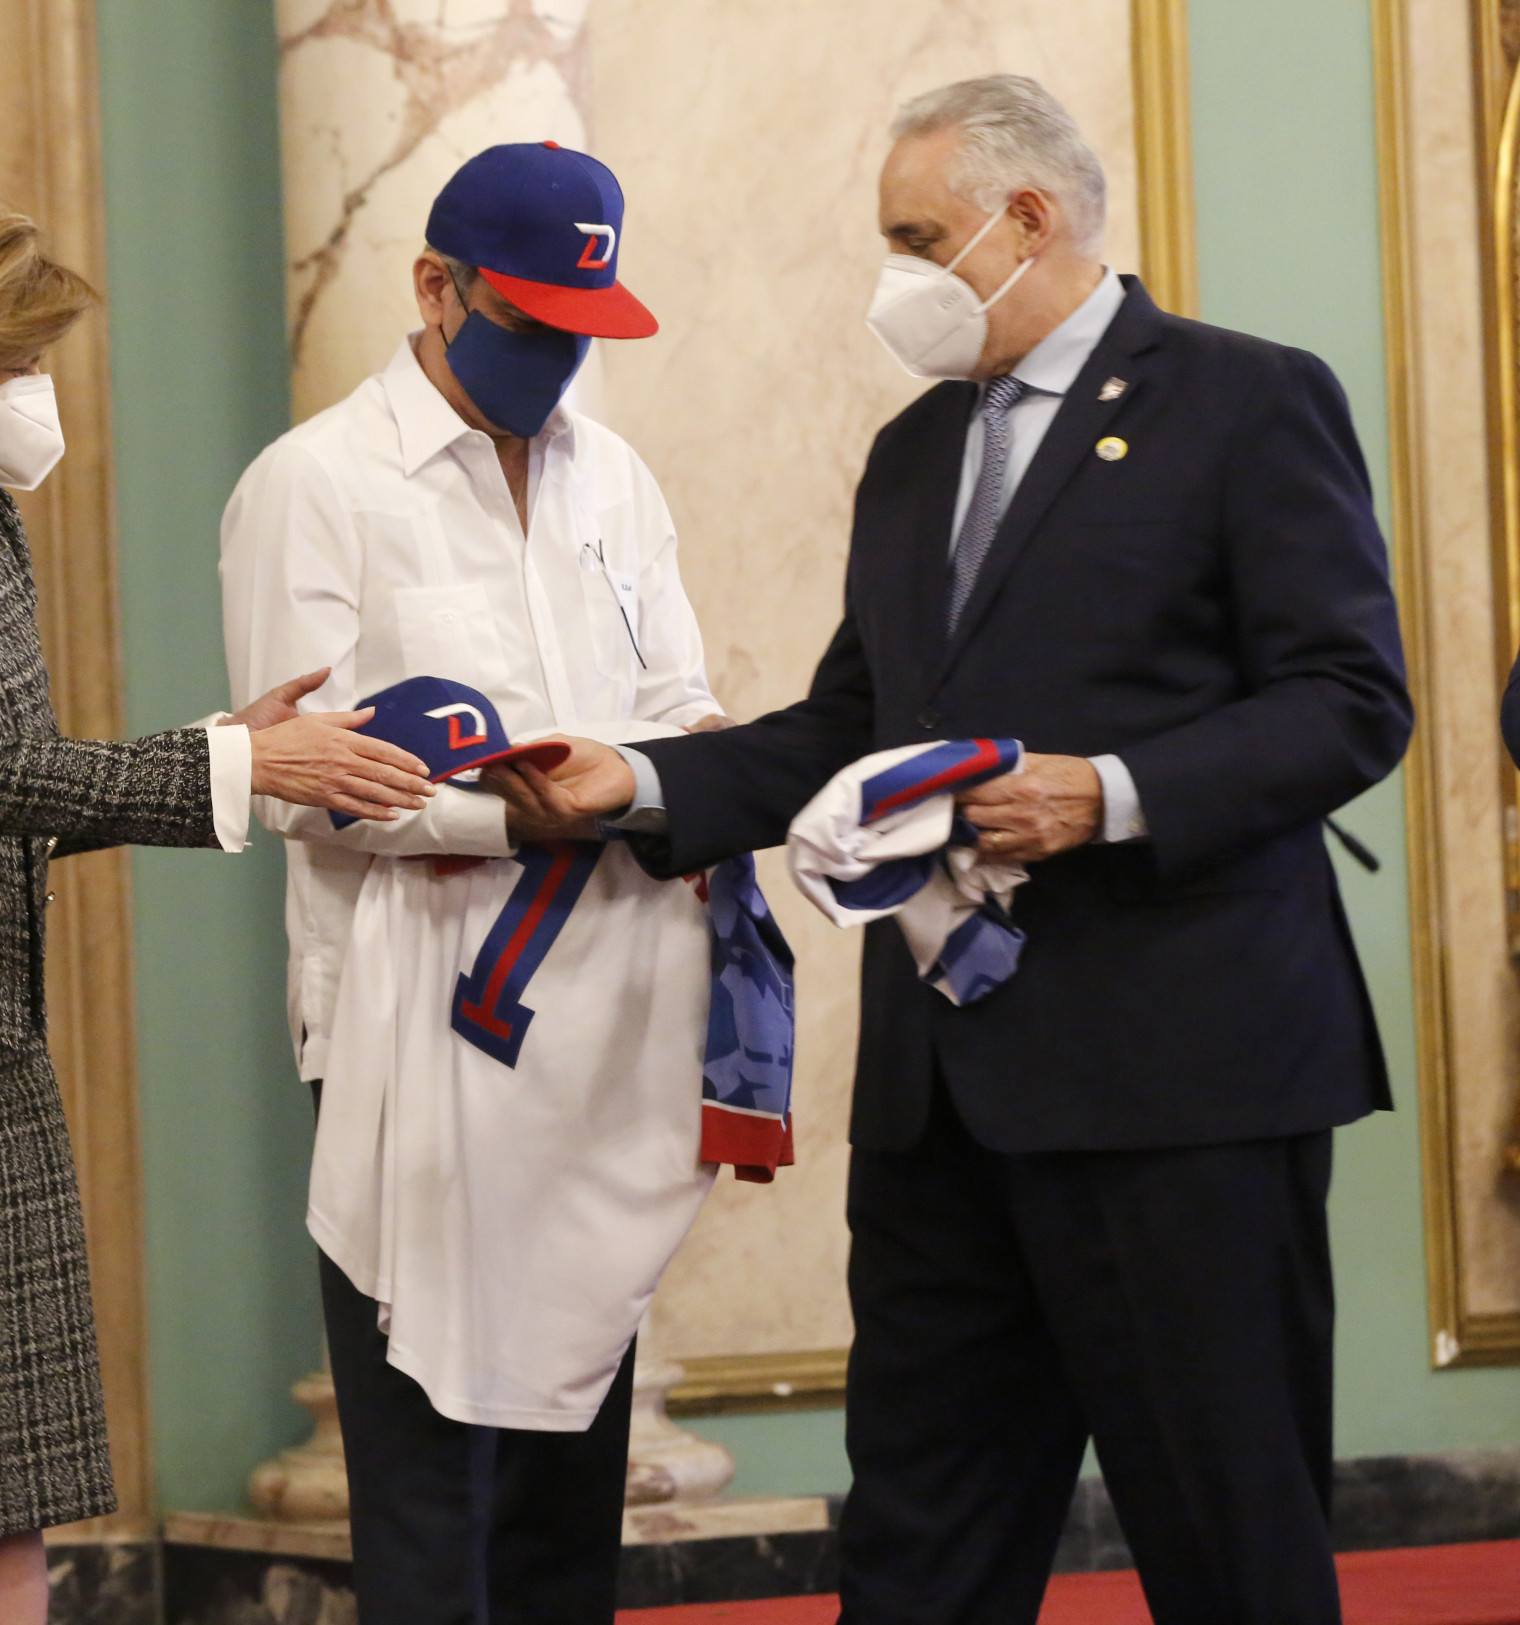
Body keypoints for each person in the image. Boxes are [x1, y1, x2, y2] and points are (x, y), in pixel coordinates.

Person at [506, 77, 1413, 1624]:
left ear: (1028, 218)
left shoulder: (1245, 400)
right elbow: (855, 723)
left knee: (1229, 1543)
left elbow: (1348, 699)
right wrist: (637, 780)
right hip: (944, 1103)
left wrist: (1107, 790)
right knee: (918, 1552)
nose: (898, 277)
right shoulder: (917, 449)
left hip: (1183, 1088)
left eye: (919, 239)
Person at [0, 193, 433, 1625]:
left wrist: (222, 741)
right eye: (15, 358)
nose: (38, 389)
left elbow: (18, 781)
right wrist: (244, 767)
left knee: (4, 1487)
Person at [220, 143, 749, 1624]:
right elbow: (296, 774)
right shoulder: (315, 484)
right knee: (429, 1471)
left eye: (584, 326)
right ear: (435, 289)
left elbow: (679, 698)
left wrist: (676, 772)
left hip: (606, 1016)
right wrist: (526, 817)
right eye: (528, 321)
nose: (557, 355)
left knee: (571, 1452)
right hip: (411, 1029)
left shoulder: (614, 476)